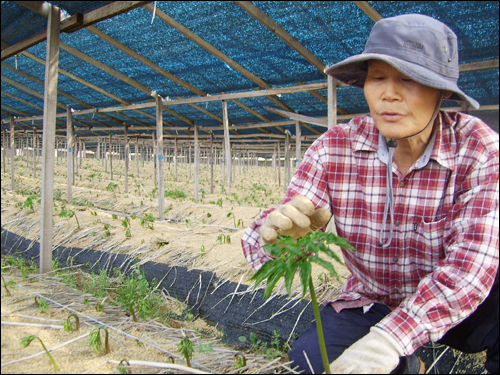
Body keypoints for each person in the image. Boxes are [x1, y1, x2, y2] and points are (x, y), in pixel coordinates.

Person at [241, 14, 499, 374]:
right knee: (314, 362)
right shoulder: (335, 148)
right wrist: (280, 236)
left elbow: (470, 268)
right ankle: (411, 367)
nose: (388, 94)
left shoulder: (477, 148)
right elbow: (279, 225)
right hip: (374, 298)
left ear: (441, 92)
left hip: (460, 302)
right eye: (377, 78)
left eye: (408, 79)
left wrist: (388, 341)